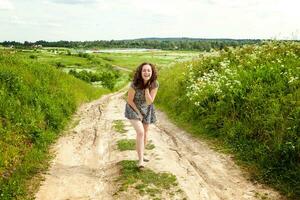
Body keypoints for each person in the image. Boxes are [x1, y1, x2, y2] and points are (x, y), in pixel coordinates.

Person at [124, 62, 159, 168]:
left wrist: (147, 90)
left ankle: (142, 155)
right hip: (133, 108)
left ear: (152, 73)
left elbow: (149, 102)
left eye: (149, 70)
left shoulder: (155, 84)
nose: (146, 72)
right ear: (140, 72)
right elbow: (129, 100)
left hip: (146, 109)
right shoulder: (134, 84)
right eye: (144, 70)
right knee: (140, 132)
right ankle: (140, 161)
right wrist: (138, 113)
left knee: (145, 133)